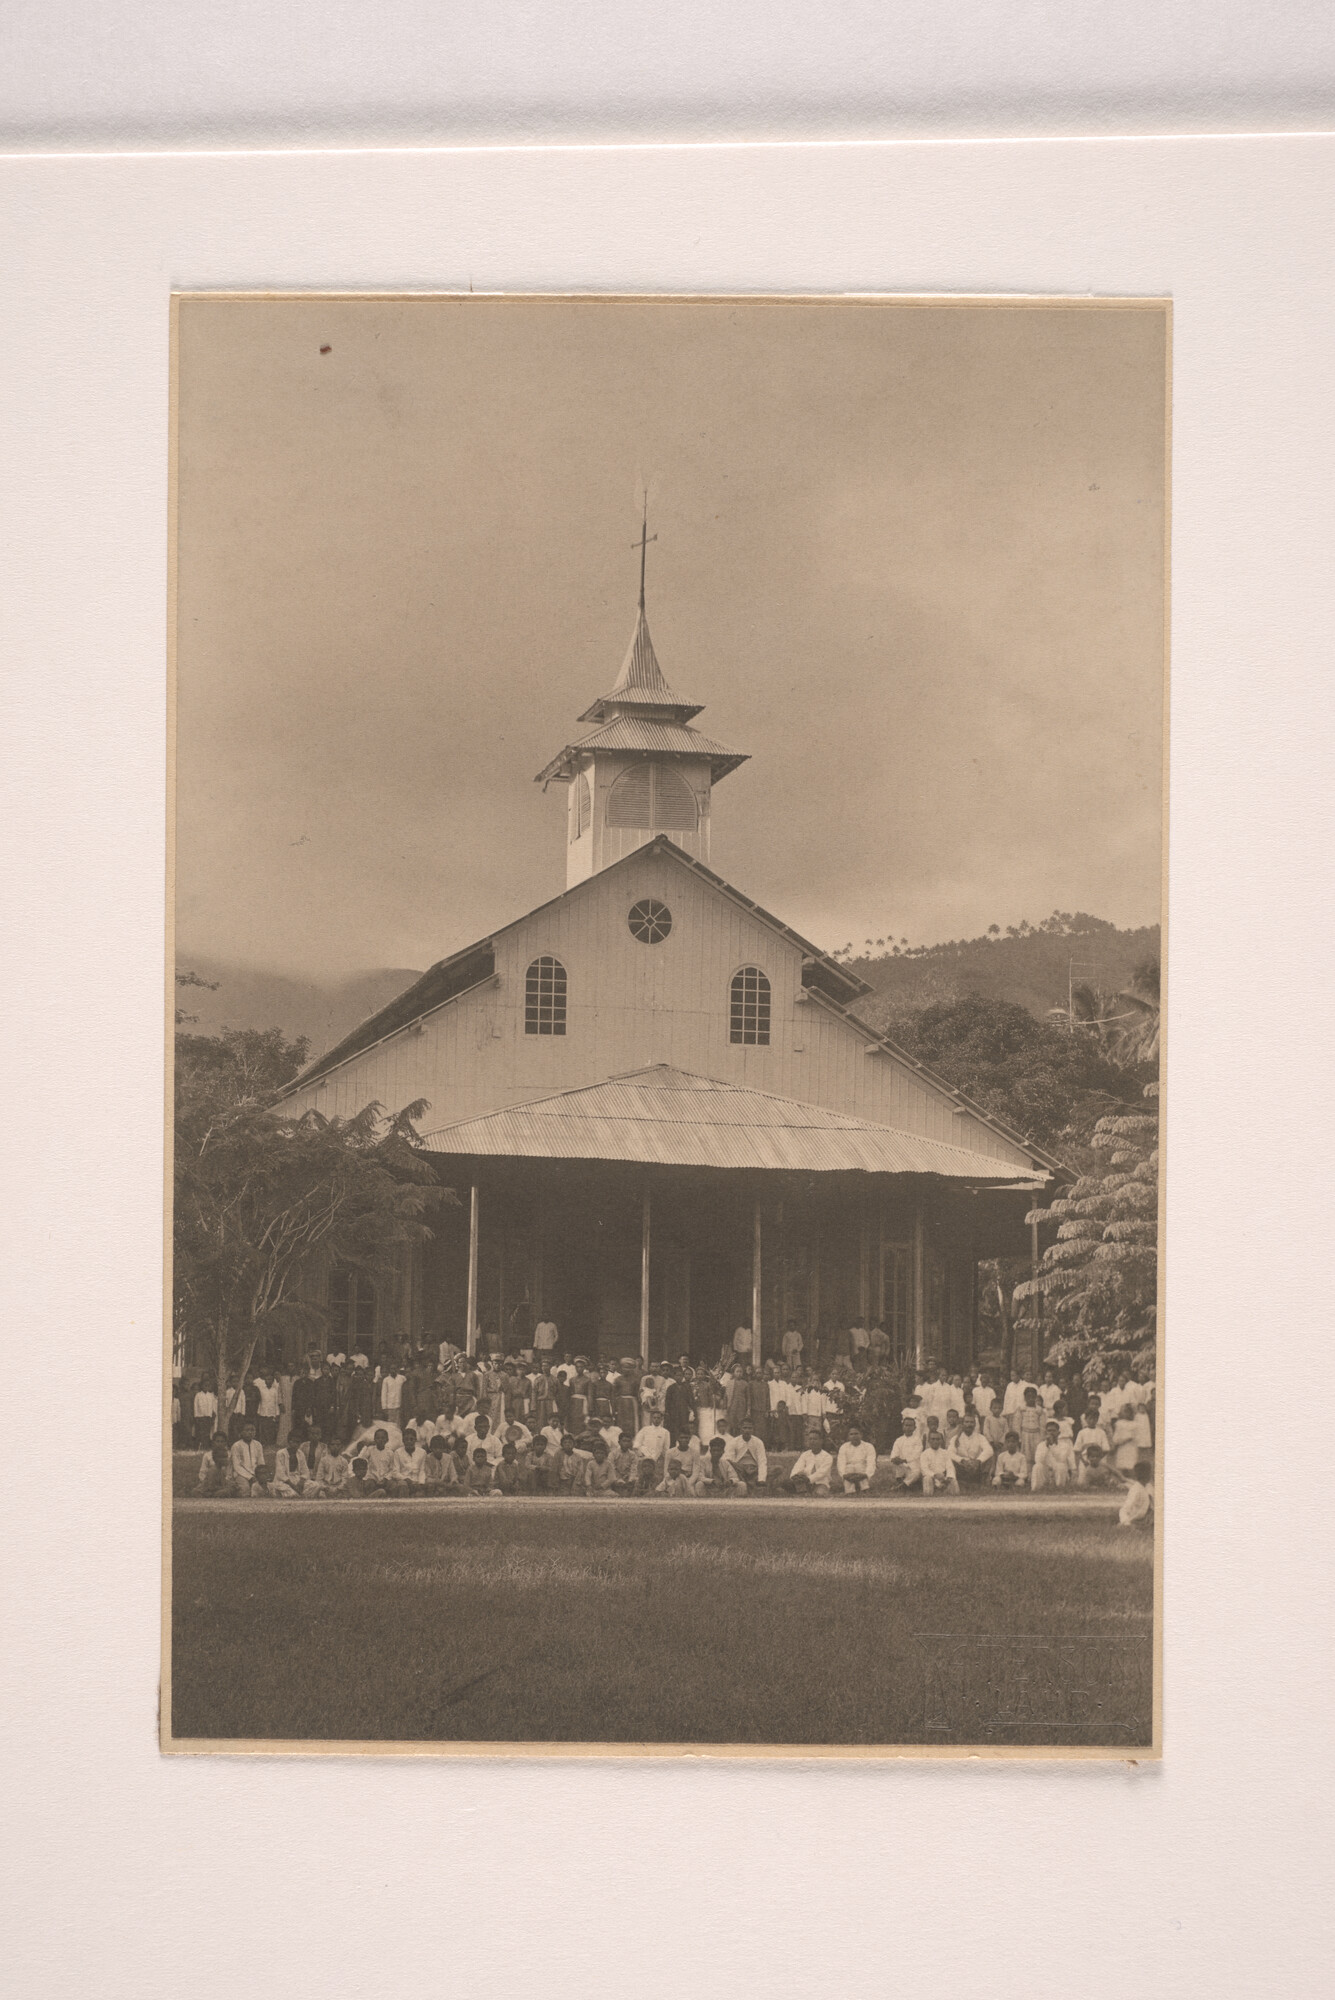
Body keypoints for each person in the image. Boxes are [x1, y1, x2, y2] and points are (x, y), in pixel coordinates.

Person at [950, 1412, 994, 1487]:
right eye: (966, 1422)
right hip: (962, 1467)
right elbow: (950, 1453)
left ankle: (983, 1482)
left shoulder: (980, 1437)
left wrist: (978, 1461)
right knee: (950, 1460)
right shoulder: (955, 1438)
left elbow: (989, 1450)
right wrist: (962, 1460)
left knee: (990, 1457)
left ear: (975, 1424)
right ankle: (958, 1483)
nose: (969, 1424)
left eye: (971, 1422)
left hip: (976, 1467)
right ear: (962, 1424)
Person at [1031, 1421, 1077, 1491]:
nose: (1051, 1433)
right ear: (1046, 1432)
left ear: (1058, 1433)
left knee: (1061, 1465)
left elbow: (1061, 1459)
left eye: (1054, 1431)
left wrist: (1052, 1445)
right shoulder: (1041, 1445)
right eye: (1049, 1431)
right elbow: (1038, 1460)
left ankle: (1059, 1489)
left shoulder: (1065, 1445)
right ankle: (1037, 1489)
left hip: (1059, 1473)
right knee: (1037, 1466)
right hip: (1045, 1473)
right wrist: (1047, 1446)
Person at [723, 1423, 768, 1493]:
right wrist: (740, 1468)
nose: (747, 1430)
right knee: (728, 1462)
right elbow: (729, 1459)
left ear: (753, 1430)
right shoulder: (734, 1441)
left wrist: (761, 1479)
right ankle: (751, 1484)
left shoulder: (758, 1442)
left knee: (777, 1469)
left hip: (754, 1470)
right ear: (740, 1429)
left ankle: (752, 1483)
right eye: (745, 1428)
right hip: (740, 1469)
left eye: (750, 1428)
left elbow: (762, 1461)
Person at [228, 1423, 267, 1497]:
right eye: (247, 1430)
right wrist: (250, 1477)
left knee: (263, 1491)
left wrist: (261, 1474)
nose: (250, 1432)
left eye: (252, 1430)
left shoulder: (258, 1445)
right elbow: (237, 1466)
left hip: (256, 1474)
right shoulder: (236, 1446)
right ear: (241, 1432)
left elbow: (261, 1462)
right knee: (245, 1491)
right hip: (241, 1475)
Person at [885, 1417, 924, 1492]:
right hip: (902, 1465)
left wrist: (904, 1460)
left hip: (913, 1465)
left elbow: (916, 1454)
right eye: (906, 1425)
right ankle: (905, 1484)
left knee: (917, 1472)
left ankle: (901, 1487)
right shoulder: (899, 1440)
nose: (908, 1428)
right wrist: (895, 1458)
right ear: (903, 1427)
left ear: (914, 1428)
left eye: (910, 1426)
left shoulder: (917, 1440)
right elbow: (894, 1453)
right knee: (895, 1465)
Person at [632, 1415, 670, 1492]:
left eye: (658, 1418)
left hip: (656, 1460)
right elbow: (636, 1444)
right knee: (642, 1479)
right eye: (654, 1418)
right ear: (652, 1418)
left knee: (655, 1481)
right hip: (644, 1458)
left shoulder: (665, 1432)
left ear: (661, 1419)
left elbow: (666, 1449)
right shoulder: (645, 1429)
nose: (656, 1420)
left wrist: (661, 1460)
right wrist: (641, 1455)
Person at [919, 1427, 959, 1497]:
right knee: (927, 1479)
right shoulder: (924, 1454)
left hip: (943, 1478)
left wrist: (949, 1477)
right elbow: (924, 1469)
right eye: (933, 1439)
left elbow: (950, 1467)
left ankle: (950, 1499)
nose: (935, 1441)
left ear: (941, 1441)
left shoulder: (945, 1453)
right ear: (929, 1441)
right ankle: (928, 1500)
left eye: (938, 1439)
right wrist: (934, 1475)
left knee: (954, 1484)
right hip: (931, 1478)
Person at [1075, 1412, 1113, 1485]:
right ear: (1086, 1419)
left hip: (1098, 1458)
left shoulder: (1101, 1432)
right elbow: (1077, 1450)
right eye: (1090, 1419)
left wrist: (1097, 1459)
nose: (1092, 1421)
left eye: (1094, 1419)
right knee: (1081, 1482)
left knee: (1101, 1478)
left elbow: (1106, 1449)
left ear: (1097, 1420)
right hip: (1085, 1458)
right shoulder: (1081, 1432)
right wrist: (1084, 1461)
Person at [836, 1427, 877, 1494]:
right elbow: (841, 1463)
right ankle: (849, 1492)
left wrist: (865, 1475)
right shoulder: (844, 1447)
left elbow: (871, 1463)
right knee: (849, 1468)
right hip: (849, 1473)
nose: (854, 1436)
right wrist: (844, 1475)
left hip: (863, 1471)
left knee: (859, 1467)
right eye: (851, 1434)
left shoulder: (868, 1446)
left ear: (861, 1435)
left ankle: (865, 1489)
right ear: (848, 1437)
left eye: (856, 1434)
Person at [389, 1429, 428, 1496]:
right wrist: (406, 1479)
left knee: (421, 1493)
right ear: (403, 1440)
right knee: (403, 1485)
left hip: (417, 1481)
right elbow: (395, 1472)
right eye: (406, 1439)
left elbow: (422, 1470)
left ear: (415, 1440)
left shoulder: (422, 1452)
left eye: (411, 1439)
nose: (409, 1442)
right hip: (403, 1481)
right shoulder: (398, 1452)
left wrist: (421, 1483)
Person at [1117, 1462, 1153, 1528]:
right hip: (1135, 1520)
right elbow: (1124, 1509)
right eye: (1149, 1473)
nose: (1150, 1475)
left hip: (1146, 1518)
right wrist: (1125, 1522)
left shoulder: (1148, 1487)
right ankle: (1126, 1525)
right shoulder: (1136, 1490)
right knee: (1128, 1526)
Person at [252, 1367, 282, 1446]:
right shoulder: (261, 1389)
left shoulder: (275, 1390)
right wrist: (259, 1411)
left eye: (270, 1380)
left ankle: (270, 1443)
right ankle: (264, 1443)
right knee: (263, 1428)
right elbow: (260, 1401)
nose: (268, 1381)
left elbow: (276, 1403)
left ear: (272, 1381)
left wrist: (277, 1413)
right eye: (267, 1379)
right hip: (263, 1411)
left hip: (271, 1412)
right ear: (264, 1381)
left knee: (271, 1429)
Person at [192, 1382, 218, 1448]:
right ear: (201, 1386)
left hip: (208, 1417)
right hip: (200, 1417)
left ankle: (205, 1446)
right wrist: (196, 1416)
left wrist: (213, 1415)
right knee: (200, 1432)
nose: (206, 1387)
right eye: (205, 1385)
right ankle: (198, 1446)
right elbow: (195, 1406)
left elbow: (213, 1406)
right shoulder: (198, 1395)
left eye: (208, 1386)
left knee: (207, 1432)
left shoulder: (211, 1395)